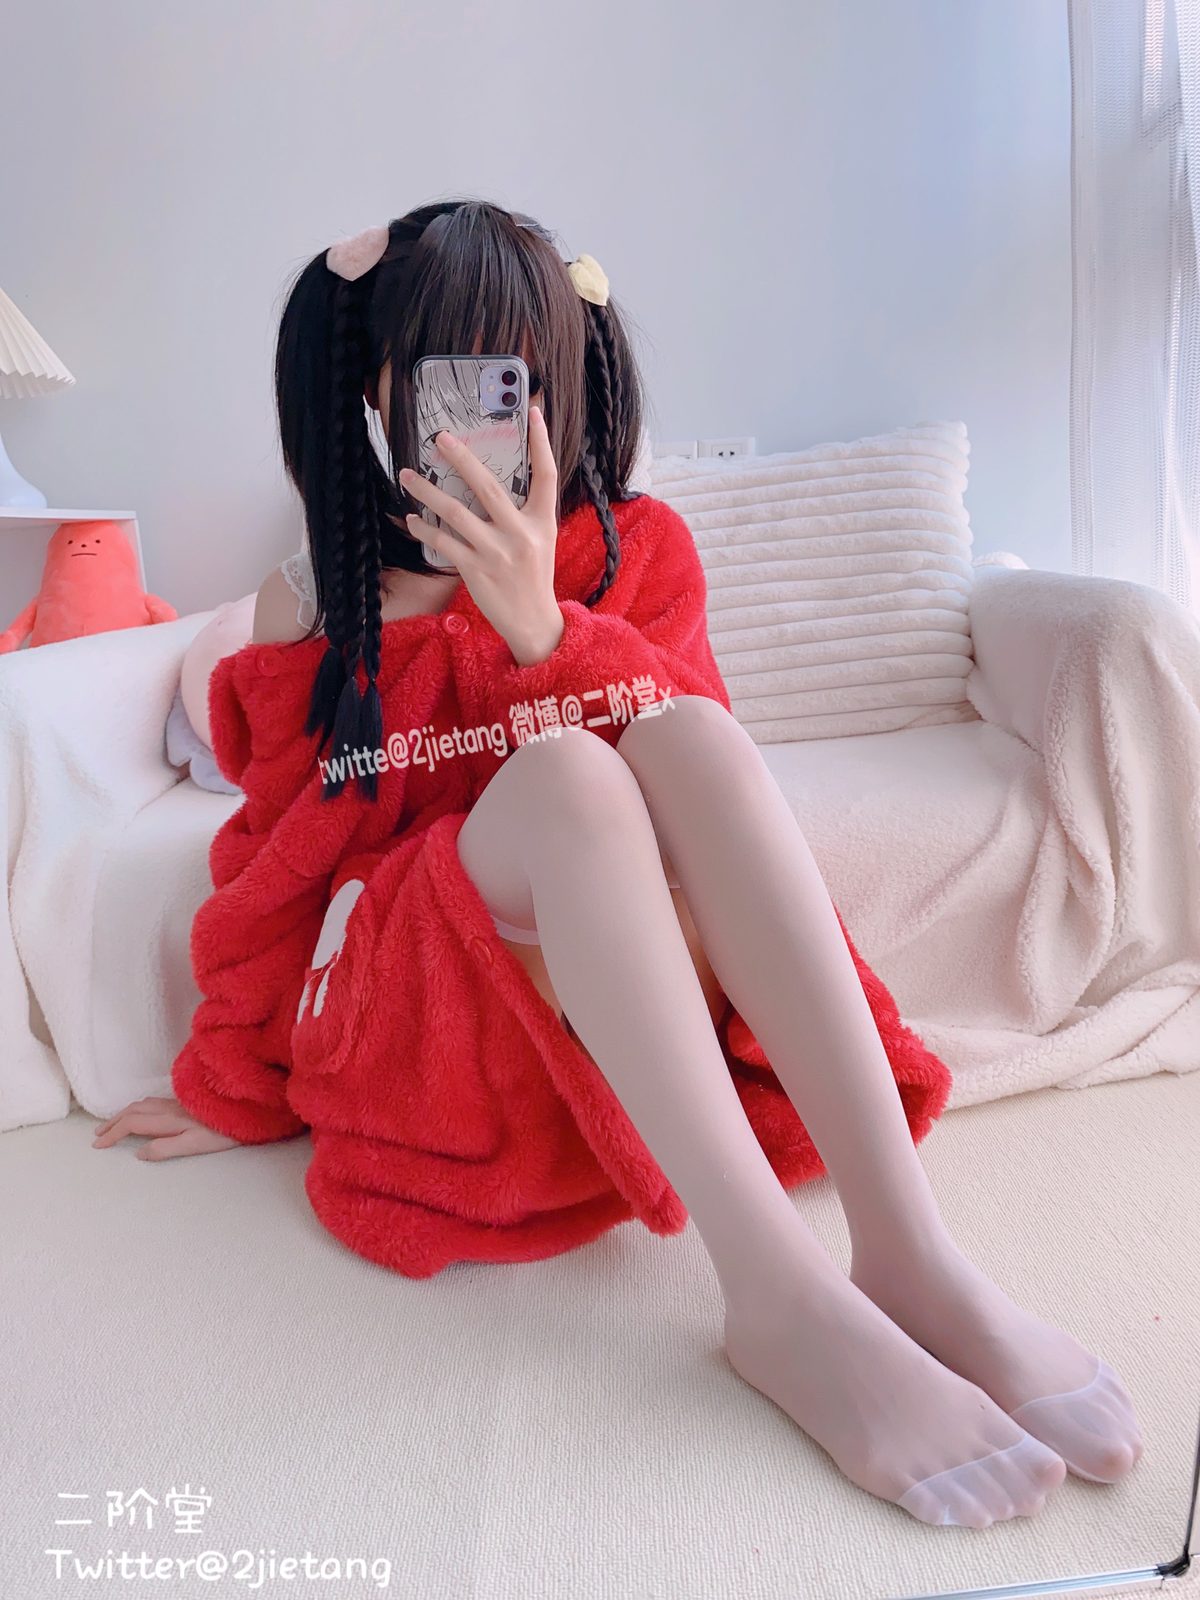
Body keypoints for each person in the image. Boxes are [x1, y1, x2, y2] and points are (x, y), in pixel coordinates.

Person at [94, 198, 1143, 1527]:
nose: (483, 412)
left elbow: (708, 802)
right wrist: (233, 1081)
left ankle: (909, 1253)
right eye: (444, 374)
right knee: (571, 776)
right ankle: (776, 1294)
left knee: (684, 734)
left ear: (560, 378)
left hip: (615, 981)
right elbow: (283, 862)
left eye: (513, 373)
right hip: (424, 1002)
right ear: (376, 388)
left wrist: (542, 629)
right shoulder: (317, 599)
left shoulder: (632, 550)